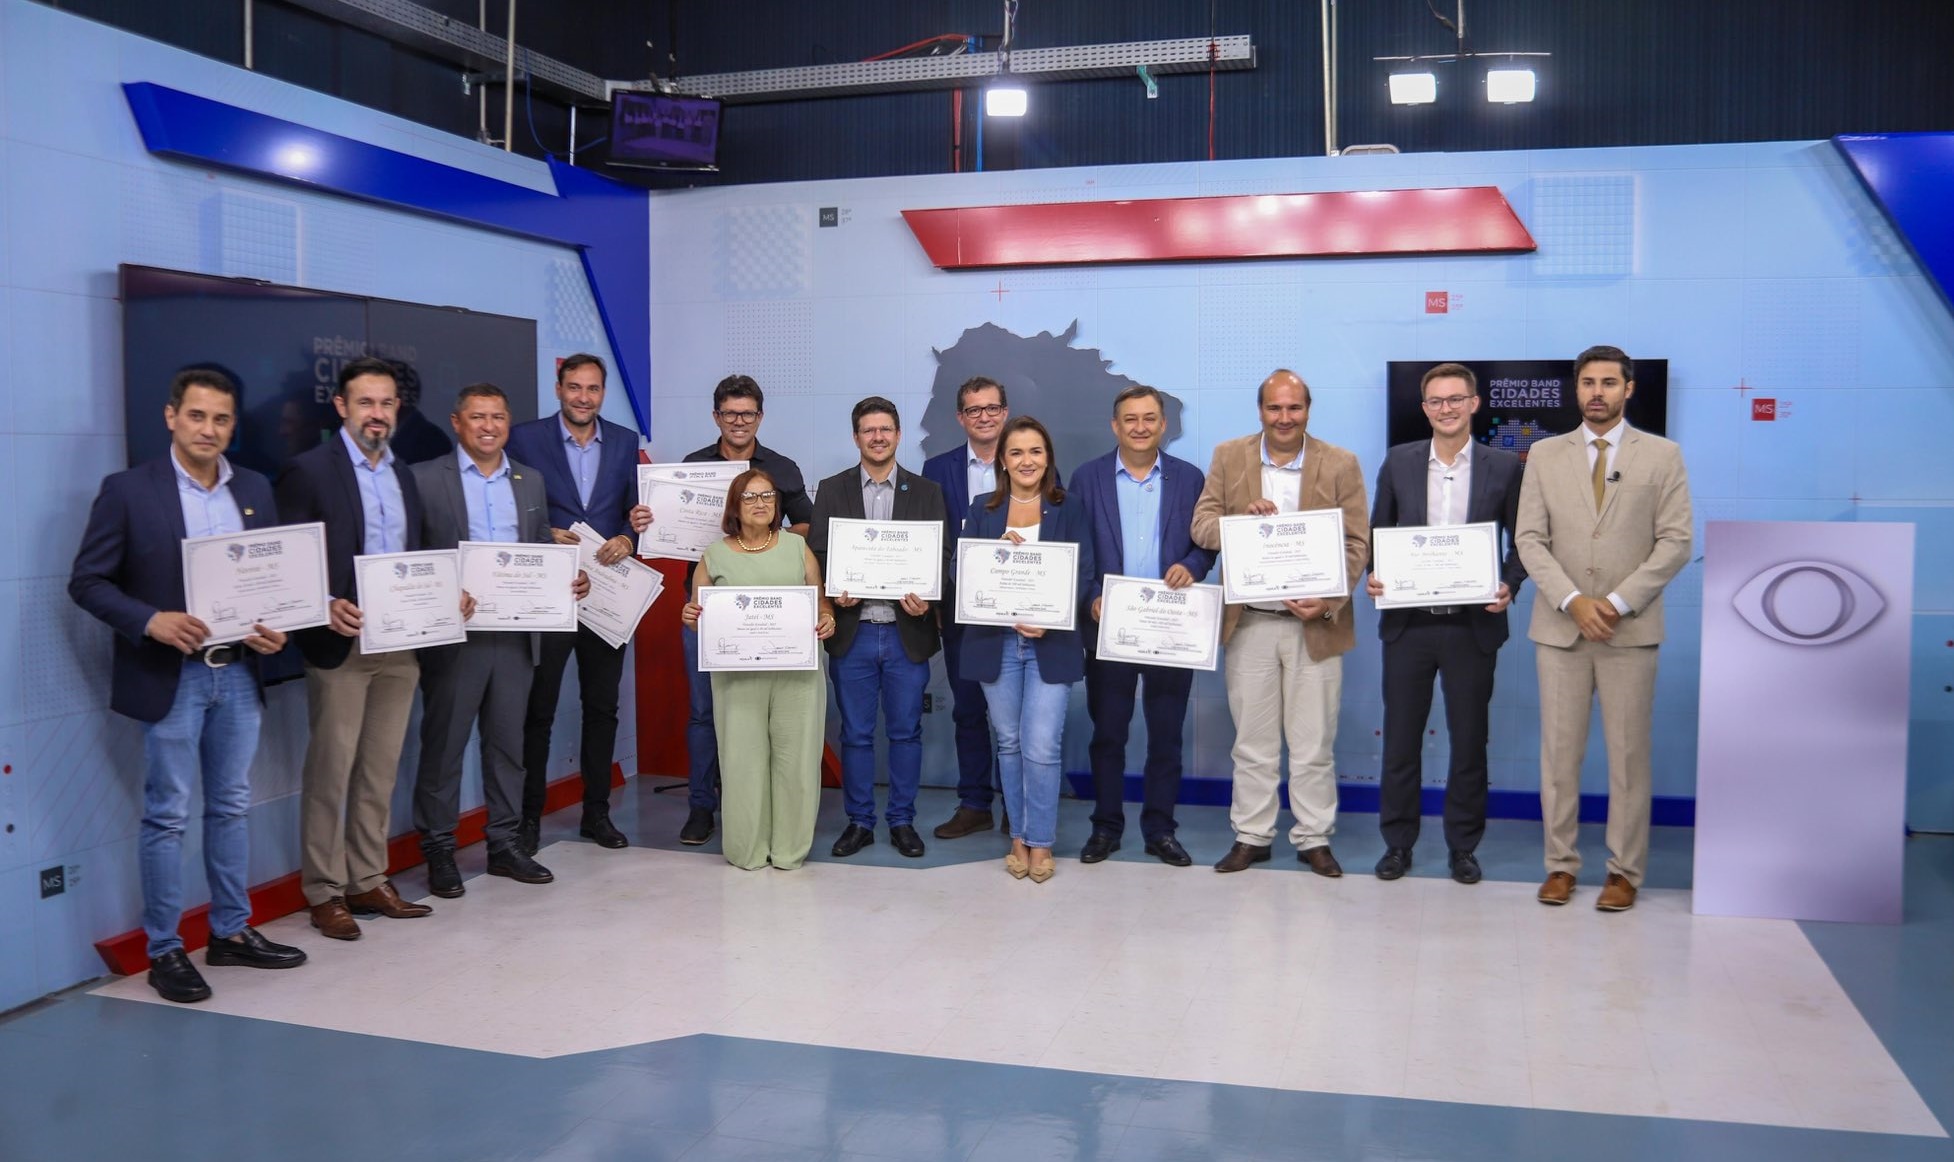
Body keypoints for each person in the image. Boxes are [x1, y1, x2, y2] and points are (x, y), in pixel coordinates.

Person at [70, 369, 308, 1002]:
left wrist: (276, 629)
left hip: (239, 672)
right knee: (167, 815)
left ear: (233, 426)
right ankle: (165, 949)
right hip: (170, 676)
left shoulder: (253, 488)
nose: (209, 429)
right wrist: (150, 620)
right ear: (171, 417)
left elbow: (271, 582)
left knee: (231, 805)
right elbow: (87, 582)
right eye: (197, 416)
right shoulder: (127, 491)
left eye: (221, 419)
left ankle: (230, 931)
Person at [1515, 346, 1692, 912]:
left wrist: (1615, 603)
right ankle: (1560, 866)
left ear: (1628, 389)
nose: (1597, 392)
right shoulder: (1544, 454)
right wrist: (1573, 601)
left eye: (1609, 383)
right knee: (1558, 758)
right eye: (1588, 382)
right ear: (1576, 389)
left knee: (1628, 758)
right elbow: (1529, 539)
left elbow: (1676, 542)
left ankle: (1624, 872)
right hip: (1561, 630)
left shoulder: (1662, 455)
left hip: (1629, 632)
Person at [276, 356, 436, 941]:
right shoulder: (308, 471)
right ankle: (324, 890)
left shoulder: (404, 475)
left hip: (399, 645)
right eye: (366, 402)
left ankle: (368, 878)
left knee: (379, 769)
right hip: (339, 646)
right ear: (342, 406)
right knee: (331, 771)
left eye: (387, 403)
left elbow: (415, 557)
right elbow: (284, 562)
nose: (377, 413)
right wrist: (322, 604)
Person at [410, 383, 587, 897]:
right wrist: (441, 591)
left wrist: (570, 579)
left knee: (508, 745)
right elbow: (413, 555)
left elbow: (538, 549)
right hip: (455, 636)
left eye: (498, 417)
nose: (489, 426)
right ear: (457, 422)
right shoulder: (424, 479)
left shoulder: (528, 481)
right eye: (478, 417)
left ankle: (504, 844)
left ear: (508, 423)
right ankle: (440, 848)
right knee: (444, 745)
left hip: (515, 636)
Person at [1191, 369, 1370, 876]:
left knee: (1314, 743)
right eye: (1275, 408)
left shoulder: (1341, 463)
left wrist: (1329, 600)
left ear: (1308, 409)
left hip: (1317, 625)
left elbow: (1357, 543)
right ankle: (1252, 835)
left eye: (1294, 407)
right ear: (1260, 410)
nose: (1284, 417)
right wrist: (1240, 524)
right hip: (1250, 622)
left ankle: (1314, 837)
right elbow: (1201, 526)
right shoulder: (1230, 456)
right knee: (1253, 742)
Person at [1365, 363, 1527, 885]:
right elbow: (1379, 533)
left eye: (1456, 399)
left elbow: (1523, 540)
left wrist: (1509, 584)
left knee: (1469, 742)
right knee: (1400, 741)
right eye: (1436, 401)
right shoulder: (1399, 461)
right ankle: (1398, 845)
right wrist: (1375, 576)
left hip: (1472, 627)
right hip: (1408, 627)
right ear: (1424, 408)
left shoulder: (1505, 466)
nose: (1446, 409)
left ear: (1474, 404)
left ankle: (1463, 847)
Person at [507, 353, 652, 855]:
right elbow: (508, 508)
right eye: (574, 387)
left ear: (603, 393)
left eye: (592, 388)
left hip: (607, 596)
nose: (583, 397)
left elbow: (637, 513)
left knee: (602, 707)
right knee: (539, 710)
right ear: (559, 388)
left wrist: (629, 537)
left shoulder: (625, 442)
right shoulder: (525, 439)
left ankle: (597, 814)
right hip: (550, 593)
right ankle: (527, 820)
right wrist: (542, 532)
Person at [1069, 385, 1215, 867]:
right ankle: (1106, 828)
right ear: (1115, 425)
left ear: (1163, 424)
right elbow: (1076, 549)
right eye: (1130, 419)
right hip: (1109, 628)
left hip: (1171, 630)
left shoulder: (1189, 478)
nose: (1140, 427)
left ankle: (1160, 830)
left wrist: (1192, 566)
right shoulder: (1087, 478)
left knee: (1166, 737)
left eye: (1149, 418)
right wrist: (1091, 596)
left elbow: (1206, 544)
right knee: (1108, 735)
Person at [666, 375, 814, 847]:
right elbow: (669, 528)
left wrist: (765, 544)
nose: (739, 421)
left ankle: (756, 809)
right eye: (730, 413)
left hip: (771, 614)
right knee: (704, 713)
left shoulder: (782, 469)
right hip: (707, 609)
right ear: (716, 417)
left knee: (759, 717)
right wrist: (651, 523)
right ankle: (702, 807)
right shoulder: (692, 467)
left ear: (760, 417)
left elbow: (806, 523)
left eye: (747, 413)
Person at [808, 397, 948, 859]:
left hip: (907, 632)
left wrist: (928, 597)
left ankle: (902, 820)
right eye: (869, 430)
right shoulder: (832, 489)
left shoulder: (926, 491)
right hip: (855, 631)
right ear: (856, 437)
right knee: (855, 734)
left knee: (906, 732)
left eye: (886, 429)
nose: (878, 437)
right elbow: (819, 555)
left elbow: (941, 556)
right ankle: (860, 822)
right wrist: (834, 592)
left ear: (898, 435)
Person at [958, 417, 1096, 883]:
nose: (1026, 461)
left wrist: (1052, 616)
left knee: (1041, 743)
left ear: (1048, 457)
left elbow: (1085, 573)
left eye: (1035, 451)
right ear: (1002, 460)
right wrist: (989, 554)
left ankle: (1041, 840)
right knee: (1010, 743)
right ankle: (1018, 836)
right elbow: (961, 573)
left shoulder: (1069, 507)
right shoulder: (982, 509)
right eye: (1016, 452)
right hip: (995, 643)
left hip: (1050, 644)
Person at [679, 469, 837, 870]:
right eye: (749, 497)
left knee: (796, 760)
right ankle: (746, 848)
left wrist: (827, 617)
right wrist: (691, 617)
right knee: (742, 761)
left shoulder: (797, 547)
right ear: (735, 505)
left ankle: (789, 849)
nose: (760, 503)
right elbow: (698, 614)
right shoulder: (714, 555)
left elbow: (820, 601)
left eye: (767, 495)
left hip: (797, 675)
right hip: (737, 677)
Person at [923, 375, 1010, 839]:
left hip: (1019, 609)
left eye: (992, 408)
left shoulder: (1029, 460)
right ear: (960, 417)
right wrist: (937, 597)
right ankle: (975, 804)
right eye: (974, 409)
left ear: (1004, 413)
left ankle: (1017, 806)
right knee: (968, 710)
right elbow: (931, 541)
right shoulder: (937, 469)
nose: (984, 417)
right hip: (960, 611)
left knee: (1014, 717)